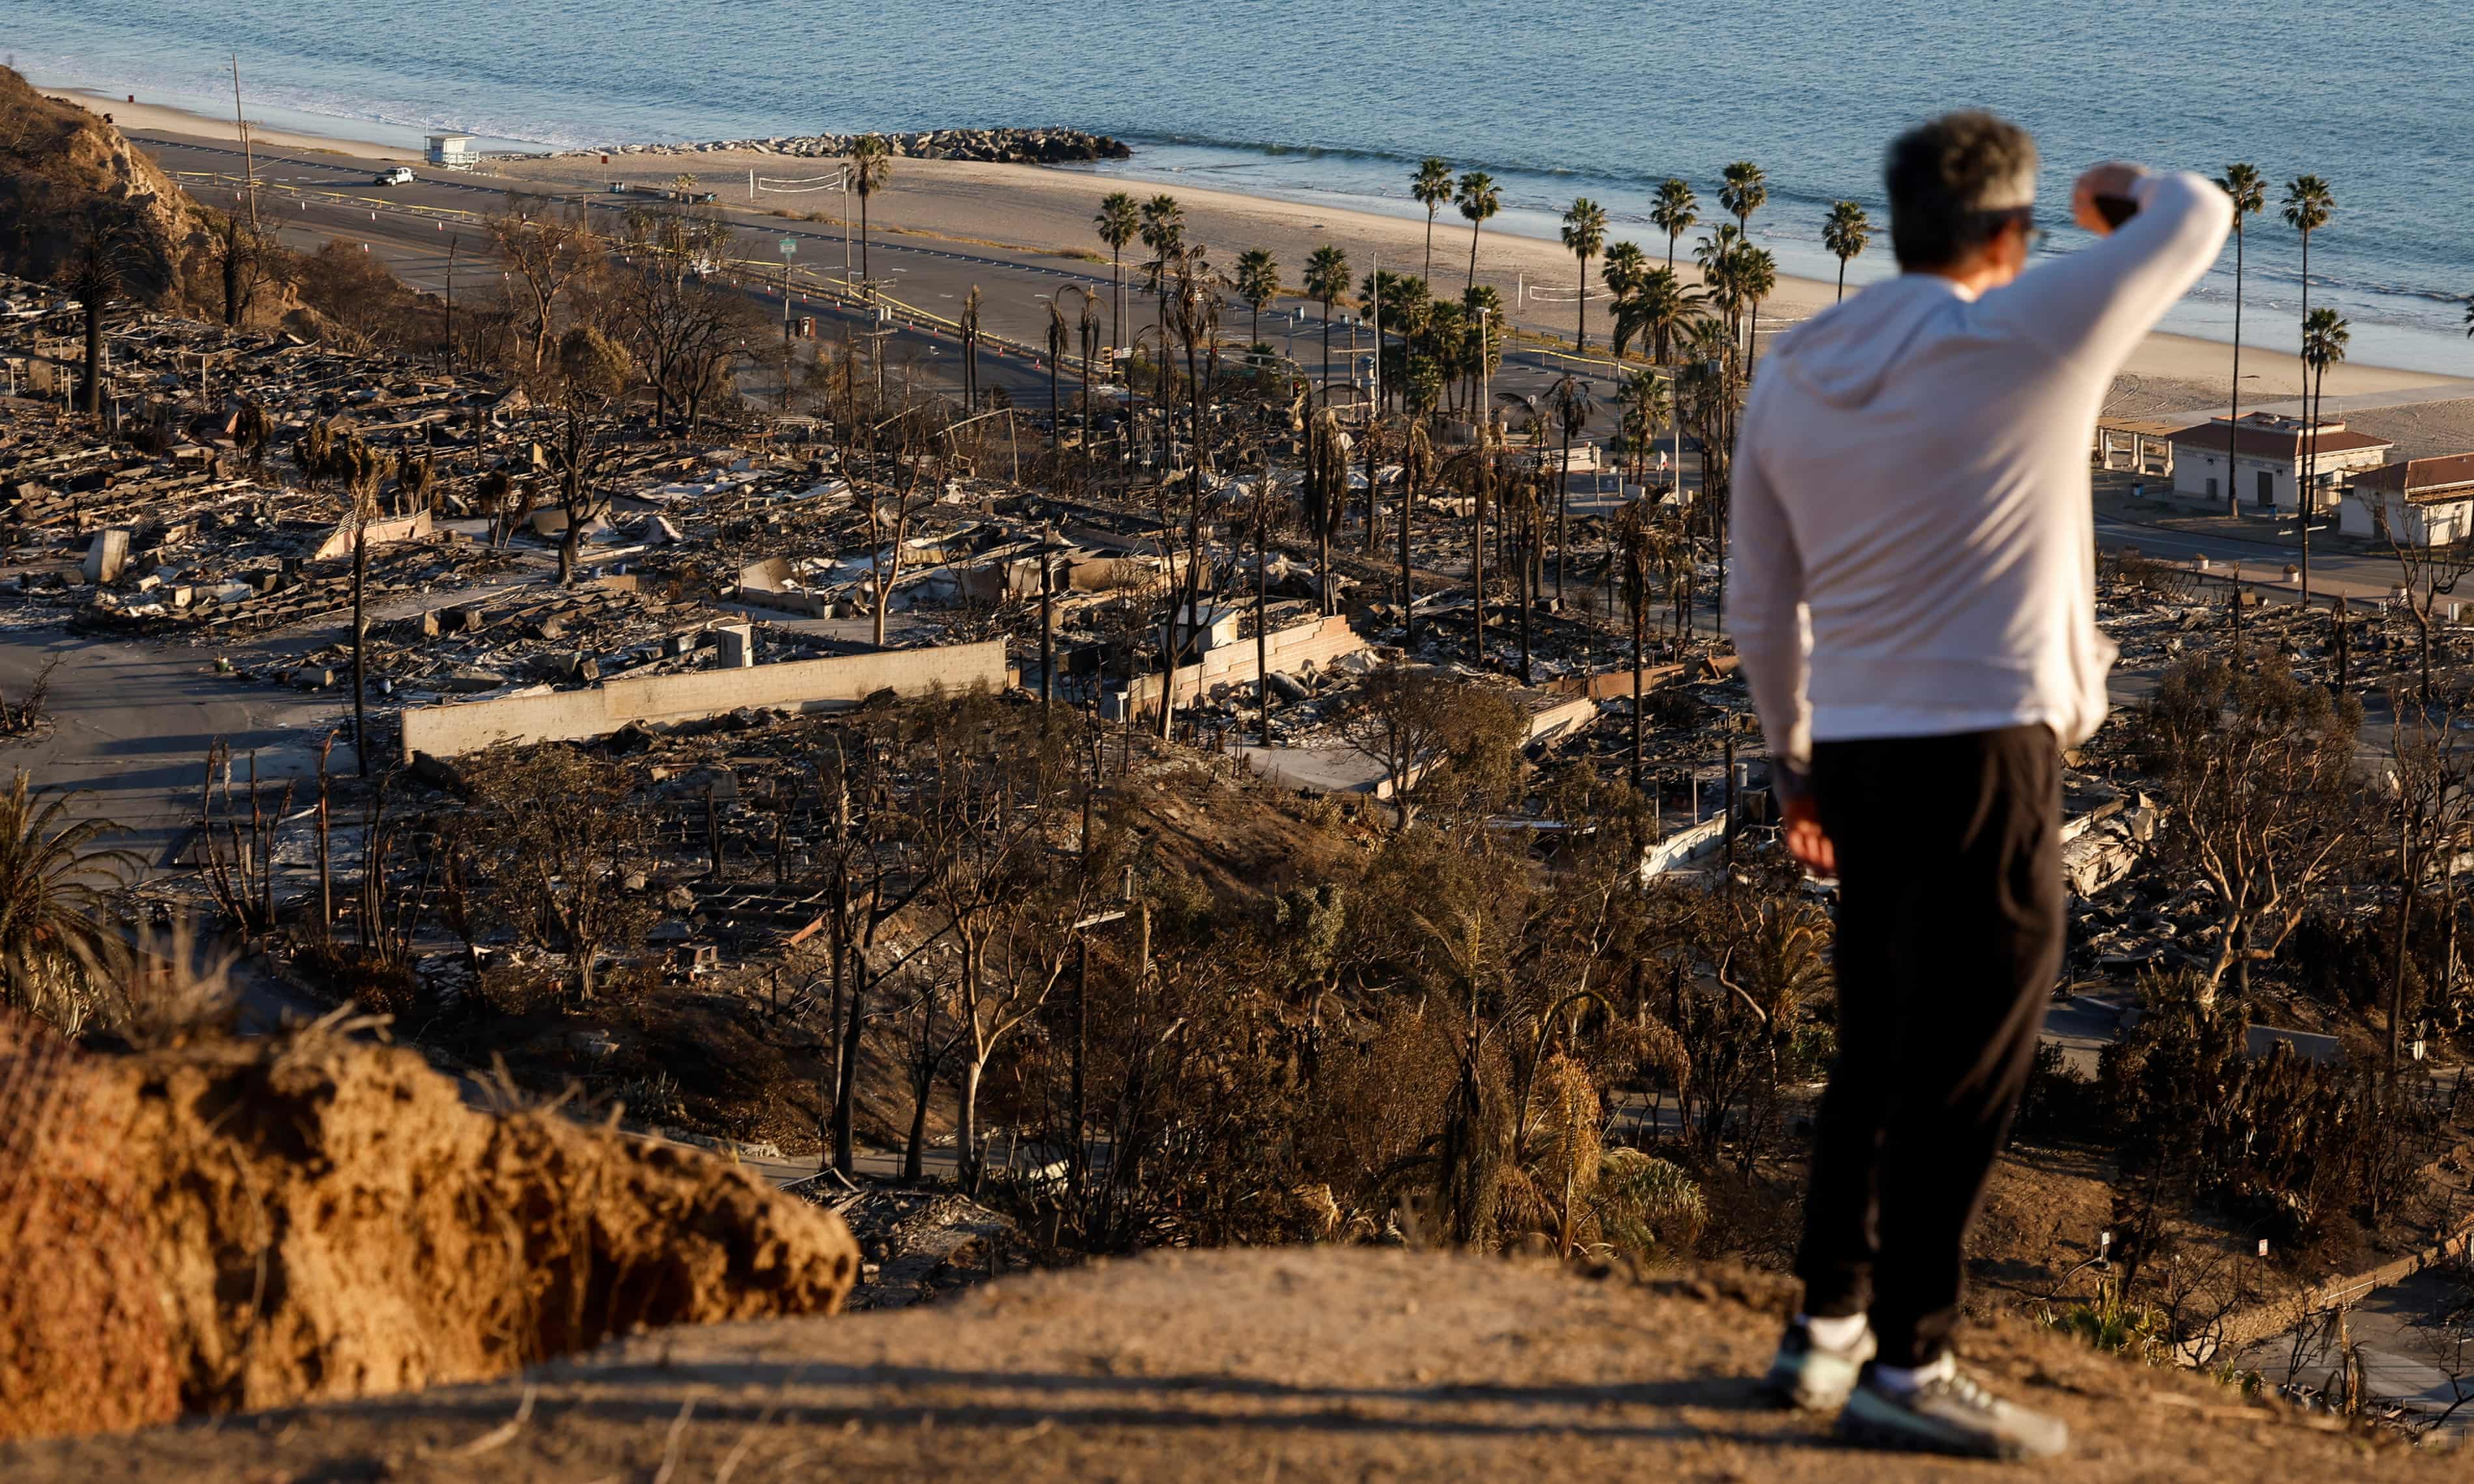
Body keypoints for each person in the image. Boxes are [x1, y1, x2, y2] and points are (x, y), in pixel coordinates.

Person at [1730, 112, 2231, 1459]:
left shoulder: (1794, 370)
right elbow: (2198, 213)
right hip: (1990, 749)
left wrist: (1791, 763)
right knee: (1972, 1060)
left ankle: (1825, 1328)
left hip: (1855, 750)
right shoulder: (2029, 332)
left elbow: (1760, 604)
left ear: (1899, 226)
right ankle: (1912, 1360)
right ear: (2009, 236)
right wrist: (2110, 189)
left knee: (1878, 1045)